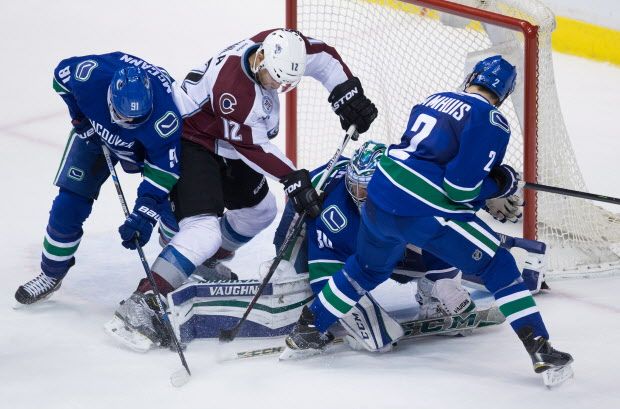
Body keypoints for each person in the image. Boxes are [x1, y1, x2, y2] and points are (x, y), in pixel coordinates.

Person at [283, 56, 573, 382]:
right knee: (498, 265)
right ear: (504, 95)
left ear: (471, 79)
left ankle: (306, 330)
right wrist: (501, 182)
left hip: (380, 192)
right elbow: (460, 188)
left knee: (366, 269)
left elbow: (430, 159)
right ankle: (543, 351)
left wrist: (486, 184)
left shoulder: (433, 99)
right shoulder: (491, 120)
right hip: (421, 209)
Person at [105, 28, 378, 350]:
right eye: (274, 79)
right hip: (194, 141)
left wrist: (345, 93)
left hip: (231, 143)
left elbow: (323, 57)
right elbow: (253, 146)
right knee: (203, 230)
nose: (278, 87)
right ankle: (144, 300)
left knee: (260, 212)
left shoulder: (275, 45)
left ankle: (202, 261)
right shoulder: (233, 90)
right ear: (261, 57)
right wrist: (294, 178)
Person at [274, 140, 547, 350]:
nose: (362, 197)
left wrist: (489, 191)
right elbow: (327, 269)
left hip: (383, 242)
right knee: (372, 330)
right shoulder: (335, 213)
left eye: (369, 189)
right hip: (306, 228)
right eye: (357, 189)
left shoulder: (410, 188)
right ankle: (289, 273)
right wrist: (340, 313)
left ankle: (431, 291)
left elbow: (451, 209)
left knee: (441, 230)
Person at [15, 52, 183, 305]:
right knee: (68, 205)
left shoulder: (167, 119)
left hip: (145, 149)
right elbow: (61, 78)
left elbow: (163, 172)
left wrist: (144, 213)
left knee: (175, 208)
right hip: (94, 139)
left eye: (135, 119)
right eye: (122, 115)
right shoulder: (89, 76)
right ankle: (51, 274)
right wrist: (80, 120)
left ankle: (183, 261)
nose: (127, 122)